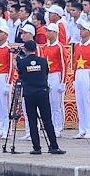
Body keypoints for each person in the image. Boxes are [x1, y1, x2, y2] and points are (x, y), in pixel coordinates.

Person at [14, 27, 63, 155]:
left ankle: (37, 147)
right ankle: (54, 146)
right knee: (47, 120)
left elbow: (17, 70)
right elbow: (46, 73)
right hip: (42, 92)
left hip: (29, 94)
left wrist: (16, 56)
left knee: (32, 121)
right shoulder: (43, 61)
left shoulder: (23, 62)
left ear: (25, 50)